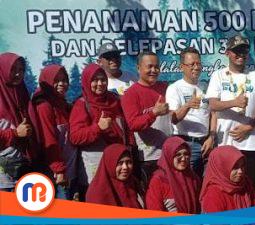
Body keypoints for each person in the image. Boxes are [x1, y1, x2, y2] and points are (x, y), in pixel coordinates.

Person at [205, 35, 255, 189]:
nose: (241, 54)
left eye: (244, 50)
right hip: (226, 142)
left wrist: (249, 127)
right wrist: (234, 102)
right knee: (228, 188)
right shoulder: (218, 75)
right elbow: (213, 104)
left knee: (249, 188)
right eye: (236, 51)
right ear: (228, 53)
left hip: (251, 143)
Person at [69, 63, 126, 192]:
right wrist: (98, 128)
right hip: (94, 171)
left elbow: (126, 130)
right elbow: (75, 137)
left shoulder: (114, 101)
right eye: (94, 80)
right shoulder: (82, 105)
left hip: (119, 167)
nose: (100, 83)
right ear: (87, 82)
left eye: (103, 79)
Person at [121, 51, 171, 187]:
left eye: (156, 67)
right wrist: (153, 113)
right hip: (149, 159)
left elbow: (173, 117)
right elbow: (133, 124)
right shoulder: (131, 94)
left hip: (169, 154)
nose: (153, 70)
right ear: (138, 68)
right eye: (149, 67)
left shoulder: (165, 88)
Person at [166, 47, 217, 177]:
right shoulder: (174, 88)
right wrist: (188, 105)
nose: (196, 67)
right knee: (189, 184)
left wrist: (211, 137)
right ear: (182, 67)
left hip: (207, 143)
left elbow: (213, 114)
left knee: (208, 184)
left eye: (198, 63)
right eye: (191, 64)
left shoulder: (206, 87)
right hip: (186, 144)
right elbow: (173, 118)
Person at [31, 64, 72, 199]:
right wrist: (58, 169)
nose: (62, 84)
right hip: (53, 173)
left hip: (66, 169)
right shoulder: (44, 106)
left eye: (64, 80)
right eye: (56, 80)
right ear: (47, 81)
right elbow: (49, 140)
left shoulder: (62, 104)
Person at [0, 52, 39, 191]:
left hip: (22, 170)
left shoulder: (21, 92)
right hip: (3, 179)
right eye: (13, 69)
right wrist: (15, 133)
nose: (18, 74)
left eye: (21, 70)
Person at [146, 136, 201, 213]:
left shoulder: (193, 178)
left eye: (186, 154)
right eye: (178, 155)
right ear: (169, 155)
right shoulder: (159, 181)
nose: (183, 159)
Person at [200, 146, 255, 213]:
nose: (240, 171)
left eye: (242, 166)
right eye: (235, 167)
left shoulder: (246, 184)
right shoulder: (213, 194)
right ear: (222, 168)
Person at [86, 143, 144, 208]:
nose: (125, 167)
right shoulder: (97, 192)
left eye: (129, 162)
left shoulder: (132, 182)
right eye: (120, 163)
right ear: (109, 164)